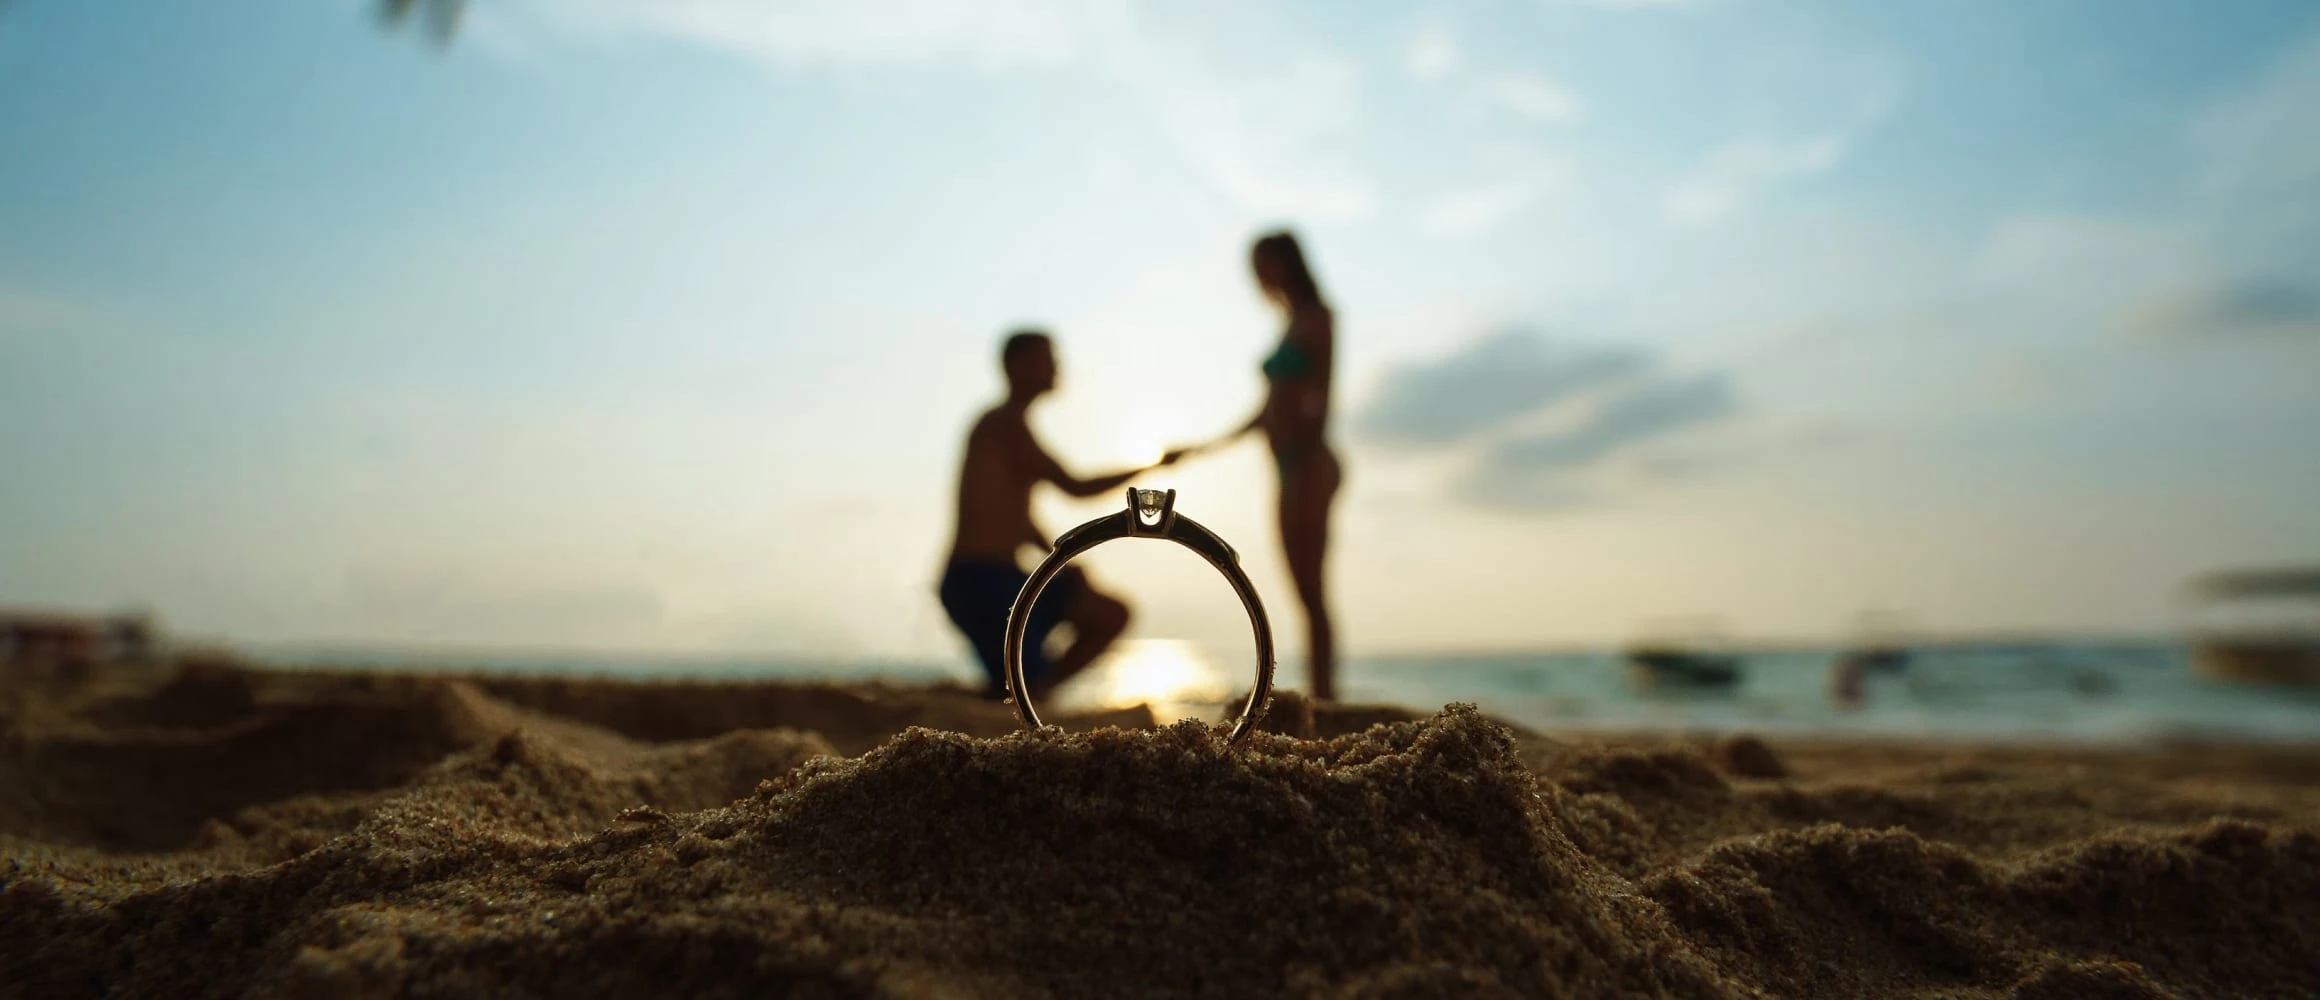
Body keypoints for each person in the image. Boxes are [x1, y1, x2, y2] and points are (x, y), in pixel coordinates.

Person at [940, 329, 1175, 698]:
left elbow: (1014, 519)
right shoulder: (1003, 425)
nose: (1056, 367)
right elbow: (1076, 486)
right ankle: (1032, 695)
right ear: (1015, 366)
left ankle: (1035, 694)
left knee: (1109, 614)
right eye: (1045, 358)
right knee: (1020, 684)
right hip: (980, 583)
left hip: (1003, 578)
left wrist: (1059, 562)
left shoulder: (1008, 428)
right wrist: (1152, 465)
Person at [1168, 231, 1343, 700]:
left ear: (1289, 263)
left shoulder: (1318, 318)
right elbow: (1266, 411)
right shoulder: (1286, 322)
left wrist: (1303, 453)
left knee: (1312, 592)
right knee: (1301, 590)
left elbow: (1323, 397)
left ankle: (1326, 698)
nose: (1260, 275)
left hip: (1309, 463)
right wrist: (1204, 447)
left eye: (1266, 263)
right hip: (1286, 465)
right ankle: (1321, 693)